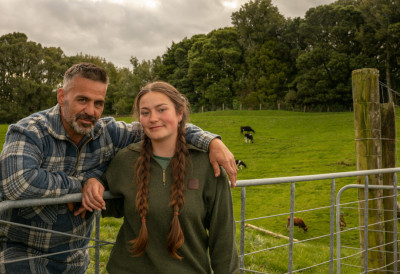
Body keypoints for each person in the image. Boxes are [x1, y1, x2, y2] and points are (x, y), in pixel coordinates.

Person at [0, 63, 237, 273]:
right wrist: (83, 185)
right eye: (82, 100)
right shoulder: (29, 131)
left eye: (98, 103)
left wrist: (211, 141)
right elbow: (19, 183)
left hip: (73, 258)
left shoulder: (107, 132)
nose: (91, 111)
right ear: (62, 97)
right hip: (20, 254)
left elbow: (163, 126)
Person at [80, 81, 239, 273]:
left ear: (179, 113)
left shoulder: (208, 166)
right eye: (145, 112)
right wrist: (91, 181)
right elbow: (107, 203)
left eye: (161, 110)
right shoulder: (124, 160)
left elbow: (223, 237)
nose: (153, 118)